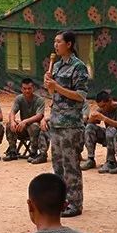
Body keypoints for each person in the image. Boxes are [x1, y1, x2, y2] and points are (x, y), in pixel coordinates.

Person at [45, 31, 90, 217]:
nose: (55, 45)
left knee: (71, 165)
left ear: (69, 44)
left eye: (59, 41)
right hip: (56, 122)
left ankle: (75, 204)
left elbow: (81, 96)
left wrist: (57, 87)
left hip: (71, 124)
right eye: (54, 42)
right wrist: (49, 84)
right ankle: (61, 200)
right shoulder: (56, 65)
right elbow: (52, 94)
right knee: (58, 165)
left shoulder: (78, 67)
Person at [80, 90, 117, 174]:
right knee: (89, 128)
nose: (102, 108)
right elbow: (89, 123)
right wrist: (92, 118)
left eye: (104, 106)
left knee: (111, 129)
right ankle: (91, 159)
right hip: (108, 137)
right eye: (100, 106)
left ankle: (110, 161)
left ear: (110, 100)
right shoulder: (102, 109)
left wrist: (104, 118)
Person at [4, 78, 47, 163]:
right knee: (9, 124)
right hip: (23, 128)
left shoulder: (40, 100)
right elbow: (12, 112)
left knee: (34, 126)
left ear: (33, 88)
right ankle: (12, 151)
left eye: (29, 88)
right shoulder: (19, 98)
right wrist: (12, 121)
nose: (27, 91)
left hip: (34, 128)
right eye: (24, 88)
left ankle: (33, 152)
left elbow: (39, 116)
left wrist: (25, 121)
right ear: (21, 89)